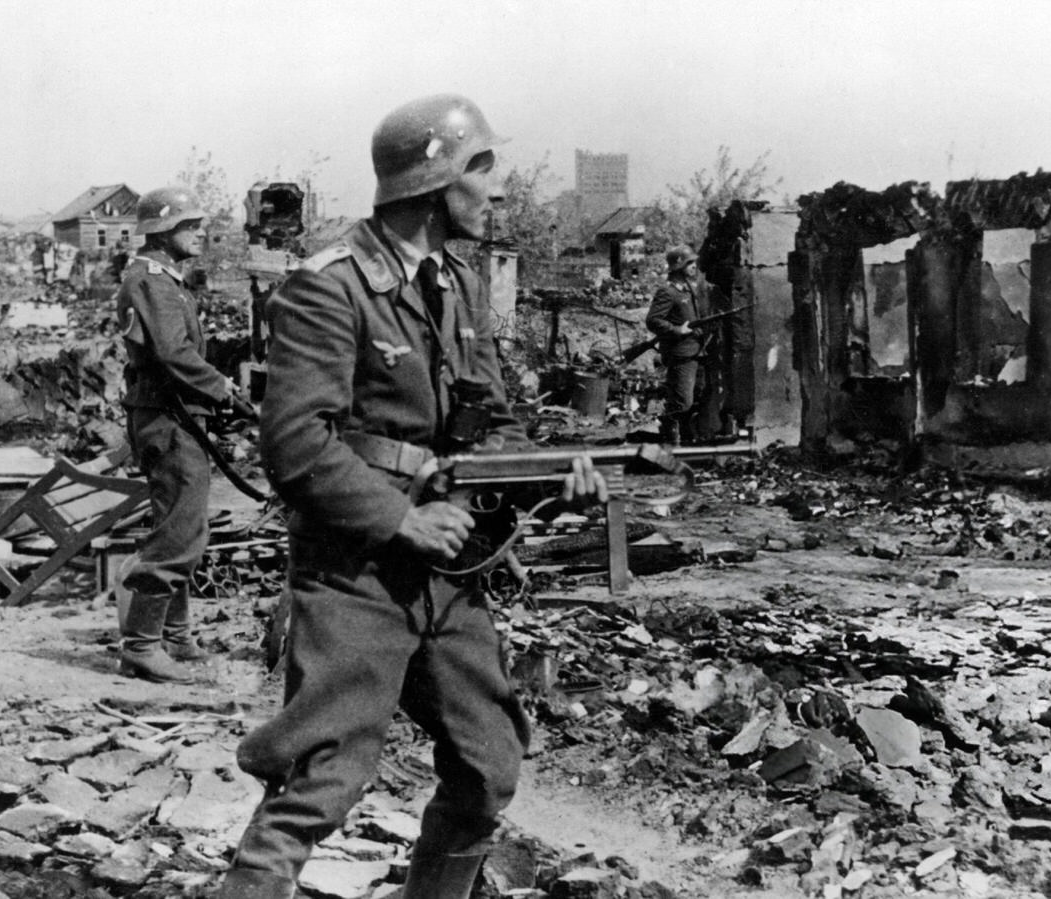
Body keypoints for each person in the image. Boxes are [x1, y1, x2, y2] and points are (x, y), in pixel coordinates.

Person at [217, 94, 607, 899]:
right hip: (355, 570)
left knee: (488, 766)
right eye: (482, 171)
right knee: (323, 780)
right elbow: (295, 446)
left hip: (446, 576)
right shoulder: (330, 289)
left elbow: (485, 427)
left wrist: (550, 484)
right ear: (434, 184)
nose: (496, 193)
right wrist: (401, 517)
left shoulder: (457, 284)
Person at [115, 185, 245, 684]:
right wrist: (222, 388)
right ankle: (143, 646)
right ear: (164, 232)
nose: (200, 233)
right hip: (168, 418)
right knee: (178, 531)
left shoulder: (164, 279)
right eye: (190, 226)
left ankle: (176, 635)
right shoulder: (152, 281)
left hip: (175, 415)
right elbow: (172, 355)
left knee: (185, 525)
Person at [646, 244, 720, 444]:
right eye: (689, 263)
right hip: (681, 355)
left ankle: (689, 440)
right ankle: (670, 437)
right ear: (678, 266)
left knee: (699, 398)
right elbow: (653, 321)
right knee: (682, 402)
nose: (694, 266)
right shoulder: (668, 292)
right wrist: (677, 330)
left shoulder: (692, 289)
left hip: (698, 352)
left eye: (694, 262)